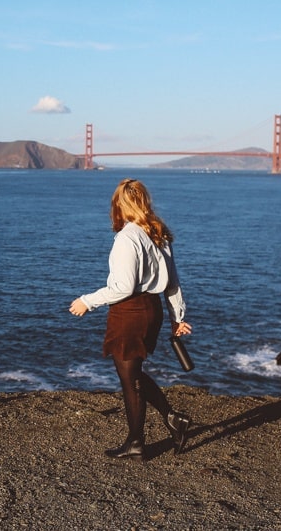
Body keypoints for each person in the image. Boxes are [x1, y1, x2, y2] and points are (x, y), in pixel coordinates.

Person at [69, 178, 193, 461]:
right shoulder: (158, 233)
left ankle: (137, 442)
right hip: (153, 311)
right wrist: (177, 317)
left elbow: (123, 287)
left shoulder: (128, 237)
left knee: (129, 379)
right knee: (133, 374)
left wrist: (87, 302)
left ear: (119, 205)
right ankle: (171, 418)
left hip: (130, 312)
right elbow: (172, 282)